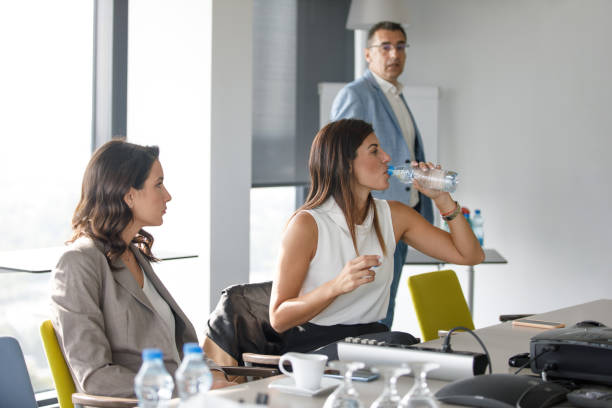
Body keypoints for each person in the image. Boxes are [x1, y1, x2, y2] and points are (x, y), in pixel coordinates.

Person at [269, 119, 483, 358]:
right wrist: (335, 286)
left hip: (374, 339)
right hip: (313, 349)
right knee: (405, 345)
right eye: (374, 151)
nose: (387, 157)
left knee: (412, 349)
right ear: (346, 164)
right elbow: (278, 318)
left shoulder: (394, 215)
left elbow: (470, 255)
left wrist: (442, 198)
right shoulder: (307, 225)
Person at [50, 140, 231, 398]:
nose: (168, 195)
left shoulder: (133, 254)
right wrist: (187, 388)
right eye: (158, 184)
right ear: (129, 195)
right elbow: (95, 378)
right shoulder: (78, 263)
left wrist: (212, 373)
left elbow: (178, 346)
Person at [331, 21, 433, 328]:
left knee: (388, 299)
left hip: (400, 216)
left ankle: (380, 357)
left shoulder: (396, 95)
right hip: (371, 217)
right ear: (367, 54)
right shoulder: (357, 95)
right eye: (385, 47)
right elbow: (342, 161)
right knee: (370, 304)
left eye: (400, 46)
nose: (394, 54)